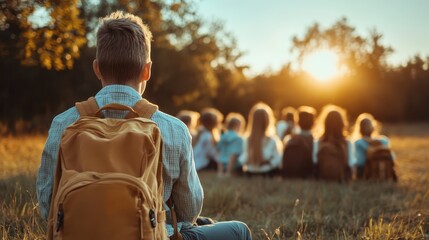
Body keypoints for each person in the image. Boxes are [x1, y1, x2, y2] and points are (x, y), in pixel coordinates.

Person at [36, 11, 251, 240]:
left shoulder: (63, 124)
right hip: (152, 236)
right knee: (237, 230)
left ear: (97, 68)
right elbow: (189, 210)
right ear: (147, 70)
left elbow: (46, 204)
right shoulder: (173, 128)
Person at [312, 104, 354, 181]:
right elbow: (350, 164)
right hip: (341, 178)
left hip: (322, 178)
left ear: (325, 124)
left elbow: (315, 163)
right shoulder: (348, 143)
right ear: (342, 124)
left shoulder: (318, 142)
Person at [239, 102, 282, 177]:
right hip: (267, 172)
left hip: (250, 172)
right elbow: (277, 160)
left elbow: (243, 159)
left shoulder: (246, 139)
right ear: (268, 121)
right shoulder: (272, 140)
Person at [351, 113, 395, 179]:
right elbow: (392, 157)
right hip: (385, 169)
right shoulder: (384, 140)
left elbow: (359, 162)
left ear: (359, 129)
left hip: (364, 172)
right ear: (373, 128)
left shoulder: (357, 142)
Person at [281, 106, 317, 179]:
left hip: (289, 174)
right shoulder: (316, 141)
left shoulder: (289, 139)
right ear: (313, 123)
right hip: (307, 175)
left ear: (297, 122)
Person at [217, 112, 245, 177]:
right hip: (234, 165)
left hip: (222, 163)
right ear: (238, 126)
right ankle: (228, 173)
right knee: (236, 157)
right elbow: (234, 155)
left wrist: (220, 171)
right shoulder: (238, 139)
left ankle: (220, 173)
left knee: (221, 155)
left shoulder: (222, 136)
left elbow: (219, 151)